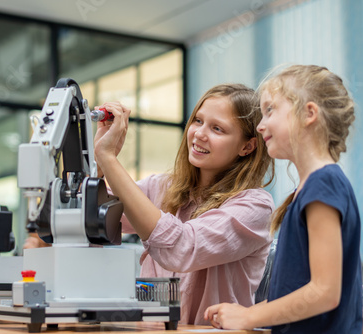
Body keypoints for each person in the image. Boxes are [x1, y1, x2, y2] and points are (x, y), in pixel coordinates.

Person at [93, 83, 275, 325]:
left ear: (247, 146)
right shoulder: (162, 187)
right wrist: (98, 165)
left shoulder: (255, 206)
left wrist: (109, 159)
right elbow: (97, 217)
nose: (199, 133)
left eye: (217, 128)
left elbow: (181, 248)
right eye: (198, 121)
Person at [204, 65, 363, 333]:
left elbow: (325, 291)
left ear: (309, 114)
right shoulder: (312, 187)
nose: (260, 124)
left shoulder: (323, 184)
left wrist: (249, 319)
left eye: (270, 110)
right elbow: (297, 288)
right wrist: (249, 312)